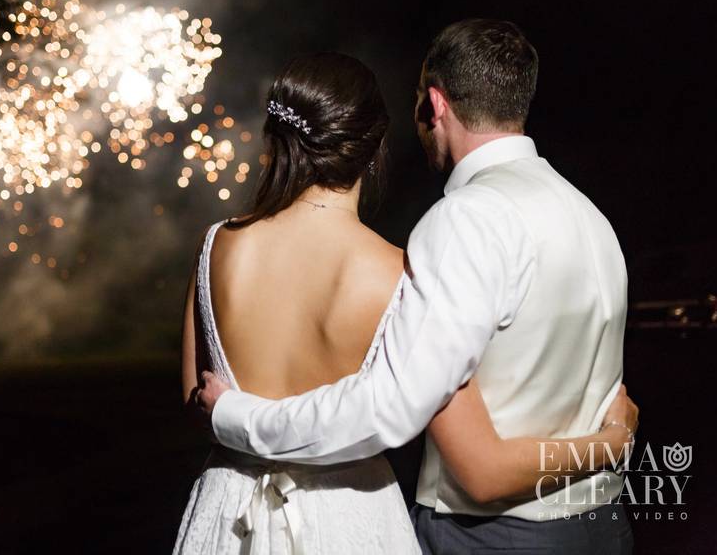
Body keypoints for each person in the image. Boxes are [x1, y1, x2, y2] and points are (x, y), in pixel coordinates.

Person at [181, 49, 637, 554]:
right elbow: (411, 419)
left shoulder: (217, 244)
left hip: (226, 511)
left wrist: (235, 416)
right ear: (376, 146)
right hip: (348, 517)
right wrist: (610, 444)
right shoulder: (398, 270)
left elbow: (195, 401)